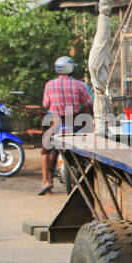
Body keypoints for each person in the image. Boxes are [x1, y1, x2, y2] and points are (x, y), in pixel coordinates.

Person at [39, 55, 92, 195]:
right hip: (74, 123)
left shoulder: (49, 85)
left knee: (46, 150)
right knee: (86, 149)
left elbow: (46, 105)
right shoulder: (80, 85)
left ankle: (46, 181)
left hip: (55, 123)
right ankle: (87, 180)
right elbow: (88, 106)